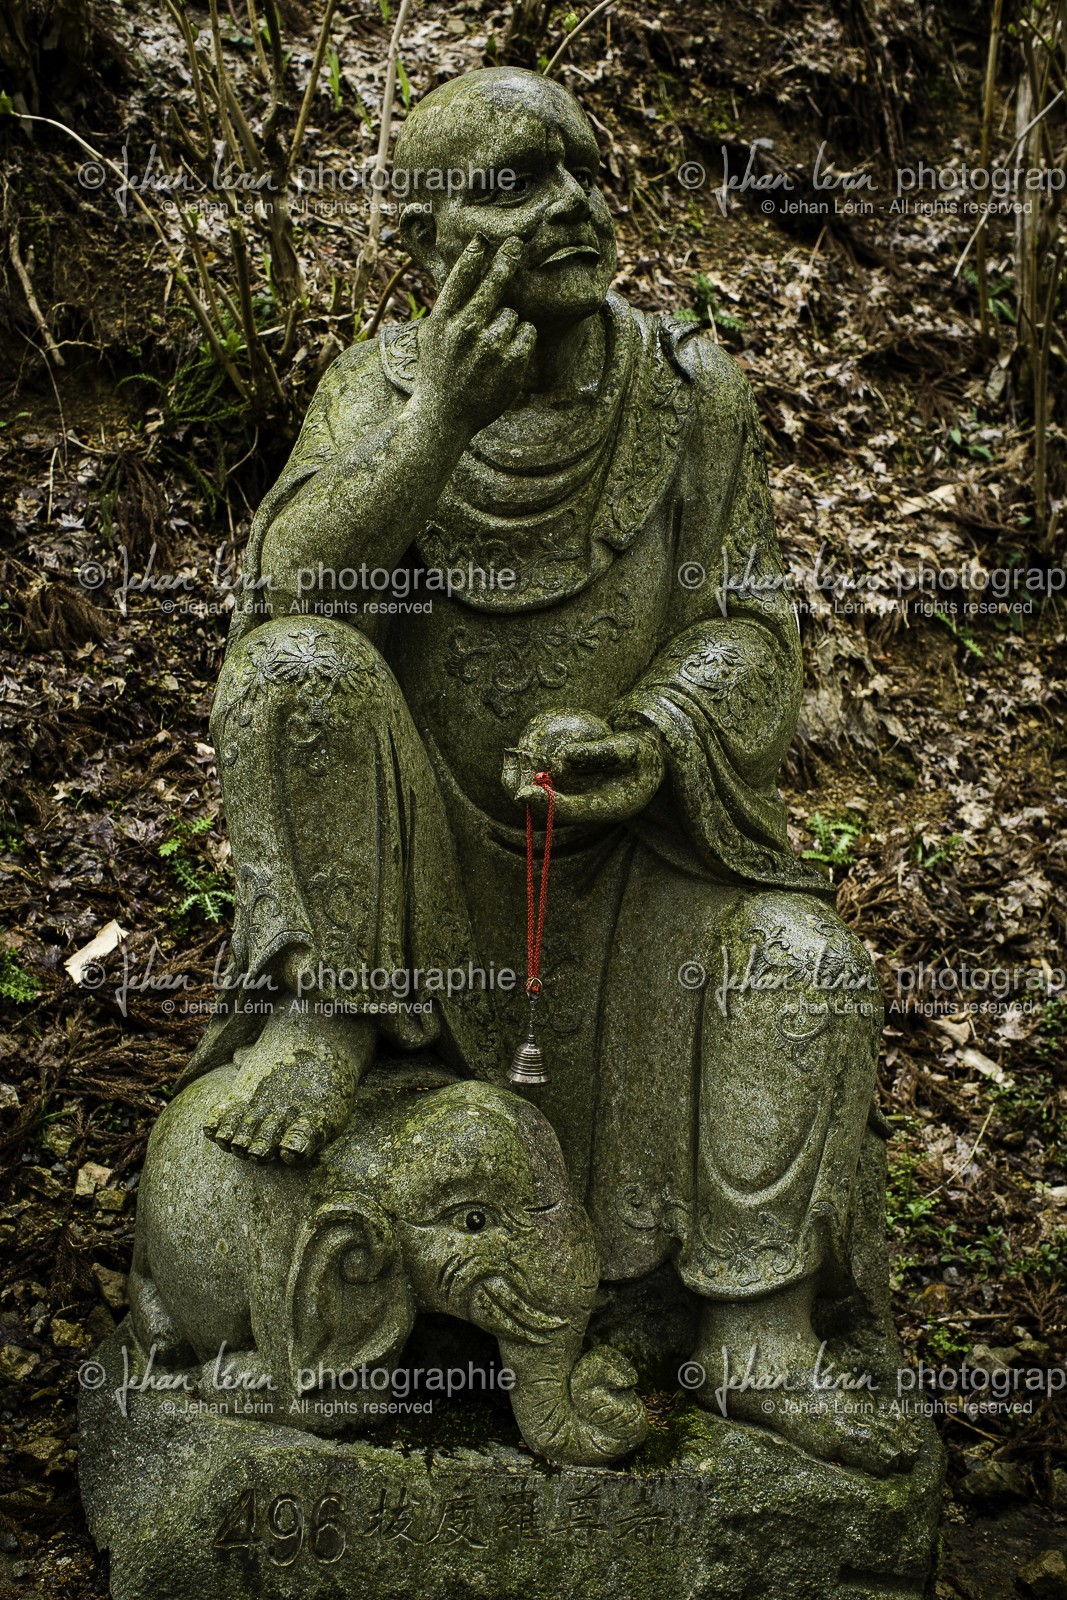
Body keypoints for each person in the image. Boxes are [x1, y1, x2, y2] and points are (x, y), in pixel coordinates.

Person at [183, 67, 915, 1474]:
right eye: (516, 182)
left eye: (584, 172)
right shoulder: (379, 387)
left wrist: (650, 732)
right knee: (292, 674)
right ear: (421, 245)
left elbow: (752, 633)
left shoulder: (692, 396)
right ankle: (337, 1018)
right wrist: (438, 426)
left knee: (796, 960)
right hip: (412, 885)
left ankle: (754, 1333)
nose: (572, 204)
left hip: (628, 886)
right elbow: (283, 586)